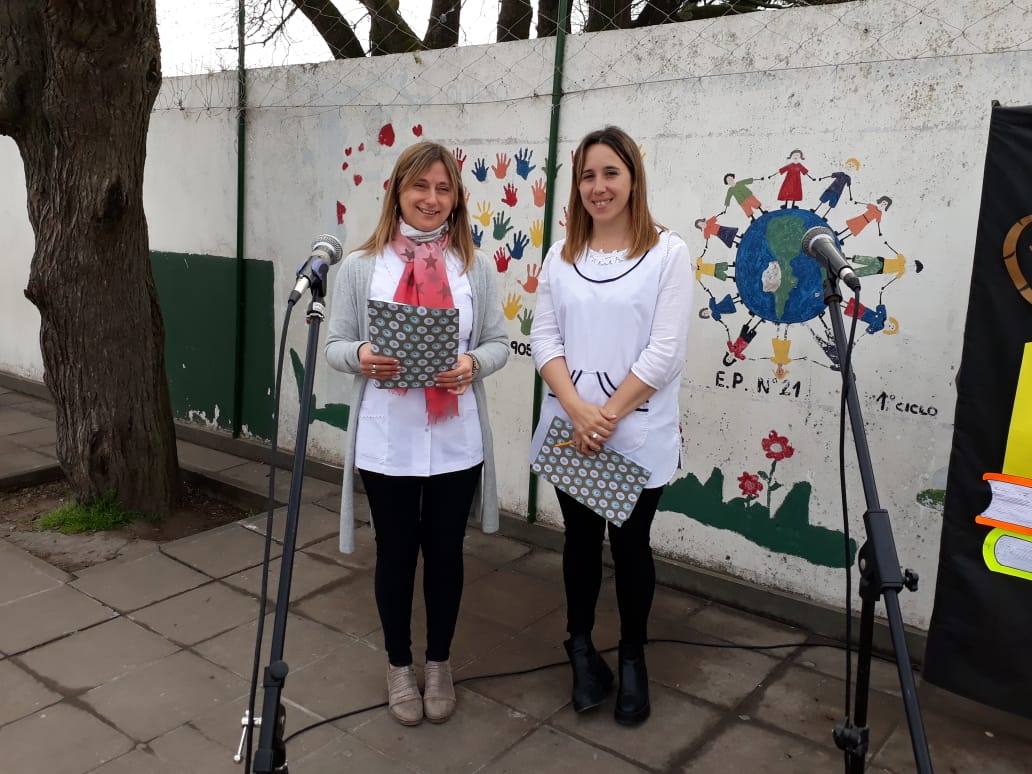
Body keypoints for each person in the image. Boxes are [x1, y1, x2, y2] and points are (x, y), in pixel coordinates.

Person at [325, 142, 510, 727]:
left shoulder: (473, 266)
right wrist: (362, 355)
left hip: (456, 438)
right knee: (396, 555)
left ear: (456, 198)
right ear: (398, 192)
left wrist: (472, 364)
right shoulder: (362, 267)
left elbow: (499, 343)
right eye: (420, 187)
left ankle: (439, 662)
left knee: (446, 556)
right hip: (389, 440)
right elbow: (335, 344)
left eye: (443, 188)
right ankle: (399, 664)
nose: (432, 199)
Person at [529, 126, 693, 726]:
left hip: (635, 434)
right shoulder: (561, 255)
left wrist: (604, 417)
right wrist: (577, 410)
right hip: (572, 429)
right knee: (578, 542)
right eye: (588, 176)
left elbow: (664, 353)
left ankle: (631, 656)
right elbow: (544, 337)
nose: (598, 187)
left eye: (610, 173)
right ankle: (580, 651)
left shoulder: (668, 254)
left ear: (633, 179)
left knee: (630, 547)